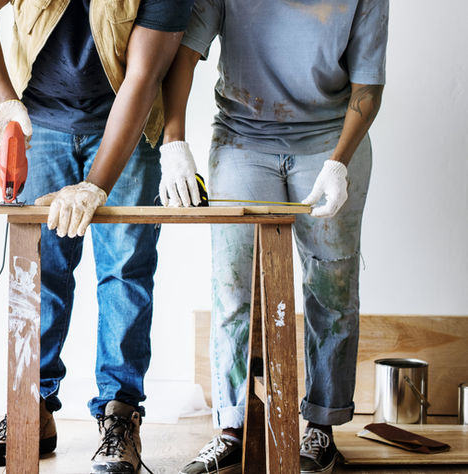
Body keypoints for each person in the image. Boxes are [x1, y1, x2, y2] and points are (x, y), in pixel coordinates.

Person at [158, 1, 389, 473]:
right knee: (232, 288)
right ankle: (231, 428)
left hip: (330, 139)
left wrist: (340, 161)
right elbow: (183, 53)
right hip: (244, 137)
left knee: (332, 286)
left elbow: (369, 84)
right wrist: (174, 140)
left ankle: (320, 428)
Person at [0, 0, 193, 472]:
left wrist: (94, 185)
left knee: (126, 272)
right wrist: (4, 102)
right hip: (39, 123)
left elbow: (144, 77)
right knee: (38, 273)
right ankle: (31, 410)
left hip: (127, 128)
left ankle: (120, 415)